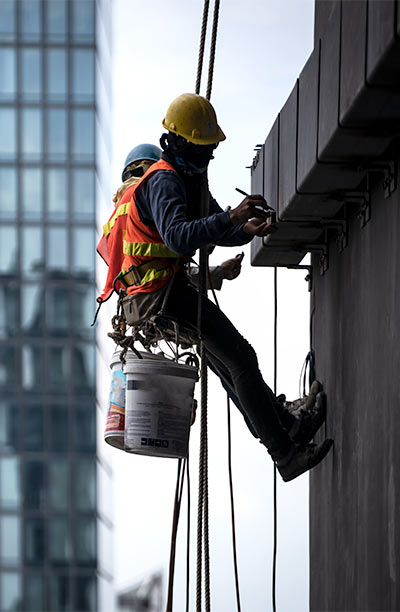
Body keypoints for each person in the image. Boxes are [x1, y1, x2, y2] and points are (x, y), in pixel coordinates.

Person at [97, 93, 332, 482]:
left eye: (209, 150)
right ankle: (284, 451)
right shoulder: (164, 181)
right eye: (201, 149)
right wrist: (232, 217)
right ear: (178, 142)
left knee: (228, 363)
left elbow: (211, 230)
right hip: (160, 296)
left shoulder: (189, 178)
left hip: (158, 295)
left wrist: (246, 229)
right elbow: (178, 237)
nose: (206, 158)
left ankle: (286, 430)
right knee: (240, 358)